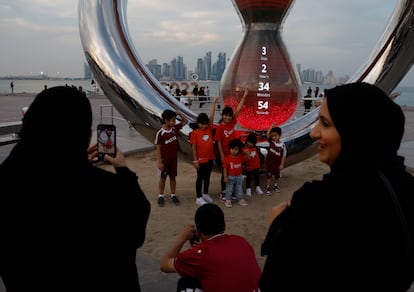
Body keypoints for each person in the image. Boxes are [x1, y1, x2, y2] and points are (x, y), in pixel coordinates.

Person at [259, 82, 414, 292]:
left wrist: (280, 225)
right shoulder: (405, 188)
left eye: (325, 123)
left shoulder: (319, 203)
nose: (314, 133)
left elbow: (276, 281)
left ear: (356, 131)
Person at [0, 86, 151, 292]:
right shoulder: (110, 192)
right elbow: (137, 228)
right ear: (88, 136)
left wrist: (80, 166)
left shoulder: (8, 184)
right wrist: (123, 170)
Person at [160, 203, 262, 292]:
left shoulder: (201, 254)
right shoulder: (241, 241)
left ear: (199, 232)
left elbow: (164, 265)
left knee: (185, 283)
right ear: (225, 225)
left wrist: (182, 238)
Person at [215, 87, 248, 201]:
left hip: (233, 153)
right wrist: (222, 155)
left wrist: (244, 96)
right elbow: (218, 142)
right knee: (225, 174)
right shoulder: (220, 127)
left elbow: (238, 110)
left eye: (229, 116)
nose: (228, 117)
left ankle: (231, 192)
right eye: (226, 115)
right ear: (222, 115)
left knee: (233, 173)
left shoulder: (232, 122)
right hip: (225, 154)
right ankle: (223, 192)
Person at [155, 109, 188, 207]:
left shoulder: (174, 129)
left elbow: (185, 122)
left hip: (173, 160)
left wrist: (180, 114)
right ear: (166, 121)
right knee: (163, 178)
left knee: (173, 177)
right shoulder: (160, 133)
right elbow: (158, 149)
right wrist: (159, 161)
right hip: (164, 161)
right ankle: (161, 195)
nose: (174, 122)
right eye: (173, 120)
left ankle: (173, 194)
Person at [190, 97, 218, 206]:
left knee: (207, 177)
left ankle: (206, 193)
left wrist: (214, 103)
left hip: (210, 158)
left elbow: (211, 115)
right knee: (200, 178)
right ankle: (198, 197)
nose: (204, 126)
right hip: (201, 160)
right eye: (201, 124)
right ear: (198, 123)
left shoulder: (209, 129)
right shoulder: (195, 133)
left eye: (205, 124)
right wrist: (195, 161)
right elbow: (193, 147)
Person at [222, 138, 248, 208]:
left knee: (239, 188)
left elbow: (248, 159)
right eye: (232, 149)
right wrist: (225, 177)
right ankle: (228, 200)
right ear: (229, 149)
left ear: (239, 150)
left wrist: (246, 153)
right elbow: (224, 168)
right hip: (230, 176)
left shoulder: (240, 156)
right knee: (229, 189)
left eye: (236, 149)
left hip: (239, 176)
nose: (234, 151)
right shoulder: (227, 158)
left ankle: (240, 199)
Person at [264, 122, 286, 194]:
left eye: (275, 136)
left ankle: (275, 185)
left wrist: (282, 164)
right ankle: (267, 187)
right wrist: (271, 127)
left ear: (279, 136)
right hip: (270, 163)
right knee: (269, 176)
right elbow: (267, 134)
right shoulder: (271, 142)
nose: (274, 137)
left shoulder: (283, 145)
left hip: (277, 164)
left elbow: (283, 156)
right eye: (272, 136)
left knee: (277, 176)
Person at [243, 132, 264, 196]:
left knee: (256, 177)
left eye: (251, 143)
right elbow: (245, 158)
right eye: (249, 142)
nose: (250, 144)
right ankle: (248, 189)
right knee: (248, 178)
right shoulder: (244, 149)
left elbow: (260, 156)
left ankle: (257, 187)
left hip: (256, 166)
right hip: (248, 167)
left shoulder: (256, 148)